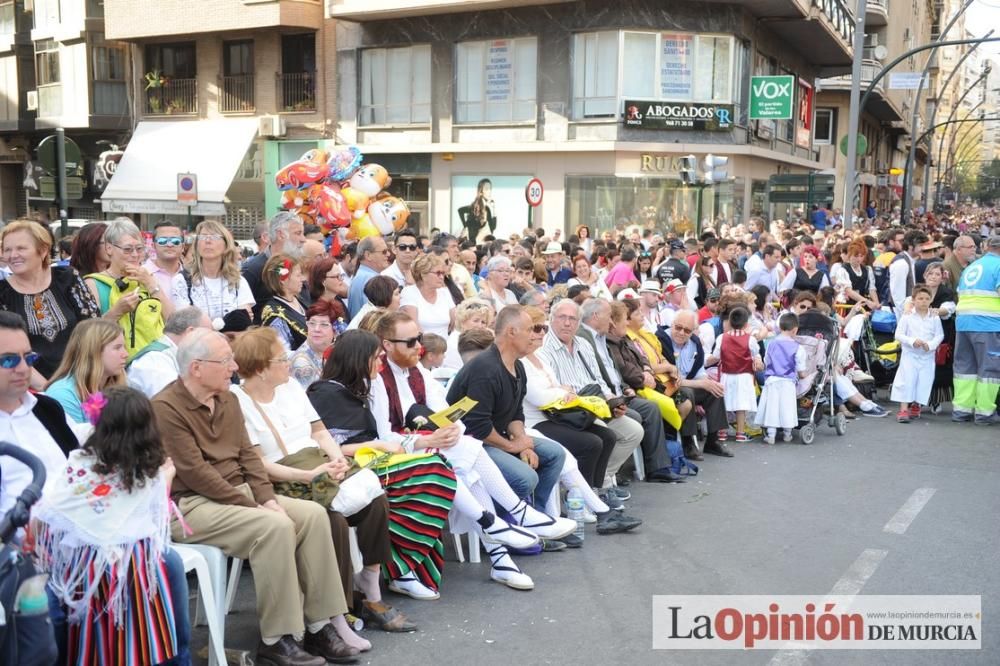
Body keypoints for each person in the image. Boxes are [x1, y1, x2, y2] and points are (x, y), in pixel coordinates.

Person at [153, 329, 361, 665]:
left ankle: (320, 625)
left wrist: (268, 499)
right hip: (192, 504)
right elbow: (194, 473)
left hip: (238, 493)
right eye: (224, 361)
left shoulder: (227, 398)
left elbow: (248, 456)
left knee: (312, 515)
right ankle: (277, 639)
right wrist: (259, 508)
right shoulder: (165, 408)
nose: (234, 366)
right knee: (274, 527)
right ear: (196, 368)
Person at [370, 311, 573, 589]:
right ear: (387, 344)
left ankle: (504, 547)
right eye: (411, 342)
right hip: (395, 453)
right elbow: (383, 435)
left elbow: (445, 411)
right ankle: (506, 541)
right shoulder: (378, 377)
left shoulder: (416, 371)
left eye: (420, 339)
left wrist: (451, 429)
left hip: (434, 445)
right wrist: (428, 440)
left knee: (466, 458)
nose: (420, 346)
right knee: (466, 460)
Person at [229, 328, 411, 639]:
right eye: (282, 359)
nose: (290, 363)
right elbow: (258, 465)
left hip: (317, 465)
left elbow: (320, 432)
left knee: (375, 499)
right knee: (333, 519)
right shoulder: (239, 401)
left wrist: (336, 460)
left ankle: (369, 581)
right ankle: (336, 608)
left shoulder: (291, 389)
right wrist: (311, 475)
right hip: (285, 479)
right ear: (261, 368)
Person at [32, 386, 191, 666]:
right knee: (139, 642)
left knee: (99, 647)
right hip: (138, 571)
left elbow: (50, 514)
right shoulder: (149, 470)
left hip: (86, 574)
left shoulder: (81, 463)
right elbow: (156, 517)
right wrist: (169, 475)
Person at [307, 331, 461, 598]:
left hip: (372, 461)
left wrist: (396, 445)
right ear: (358, 359)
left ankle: (406, 567)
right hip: (349, 469)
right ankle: (400, 569)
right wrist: (377, 446)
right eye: (376, 358)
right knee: (433, 472)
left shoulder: (358, 389)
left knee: (437, 465)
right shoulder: (326, 393)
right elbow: (325, 448)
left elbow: (382, 435)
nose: (381, 363)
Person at [519, 306, 641, 535]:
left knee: (606, 435)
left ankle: (593, 493)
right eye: (535, 329)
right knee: (590, 442)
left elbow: (557, 387)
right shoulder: (524, 361)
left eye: (541, 329)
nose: (539, 334)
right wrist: (563, 393)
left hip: (558, 414)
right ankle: (582, 502)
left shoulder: (538, 359)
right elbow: (540, 396)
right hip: (536, 421)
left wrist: (562, 392)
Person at [446, 305, 574, 522]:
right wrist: (513, 447)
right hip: (472, 443)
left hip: (498, 435)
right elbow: (478, 427)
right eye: (529, 330)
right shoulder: (485, 369)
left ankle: (538, 518)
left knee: (555, 454)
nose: (534, 335)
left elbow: (516, 412)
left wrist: (522, 441)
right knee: (525, 478)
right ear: (511, 332)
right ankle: (505, 524)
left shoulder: (517, 366)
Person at [538, 299, 643, 492]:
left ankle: (603, 479)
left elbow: (598, 380)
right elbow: (555, 390)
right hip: (568, 413)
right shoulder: (544, 348)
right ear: (551, 320)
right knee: (603, 436)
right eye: (562, 318)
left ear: (579, 322)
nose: (567, 323)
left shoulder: (583, 344)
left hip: (595, 407)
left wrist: (612, 400)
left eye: (572, 319)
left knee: (633, 431)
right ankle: (591, 490)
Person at [0, 312, 79, 524]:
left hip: (81, 534)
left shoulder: (47, 408)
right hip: (19, 548)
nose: (24, 369)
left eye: (29, 358)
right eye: (9, 360)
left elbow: (83, 461)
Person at [0, 220, 101, 382]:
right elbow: (7, 351)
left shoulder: (67, 277)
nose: (13, 255)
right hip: (28, 384)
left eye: (21, 248)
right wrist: (47, 389)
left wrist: (81, 380)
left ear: (43, 250)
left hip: (81, 377)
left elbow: (93, 328)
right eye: (7, 250)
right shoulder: (3, 293)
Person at [85, 217, 172, 357]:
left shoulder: (147, 279)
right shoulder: (94, 284)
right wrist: (116, 312)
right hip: (115, 366)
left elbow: (173, 321)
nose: (135, 255)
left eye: (139, 248)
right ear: (109, 248)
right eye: (127, 249)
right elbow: (87, 336)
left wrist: (152, 285)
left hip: (154, 362)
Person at [657, 310, 733, 458]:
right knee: (687, 392)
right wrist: (701, 384)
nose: (681, 333)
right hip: (669, 388)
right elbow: (669, 380)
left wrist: (708, 383)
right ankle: (688, 441)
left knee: (714, 390)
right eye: (678, 327)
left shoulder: (694, 343)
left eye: (687, 330)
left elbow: (699, 373)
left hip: (688, 383)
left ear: (693, 331)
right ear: (672, 325)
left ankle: (713, 440)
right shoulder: (660, 340)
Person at [172, 219, 255, 332]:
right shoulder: (182, 281)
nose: (208, 241)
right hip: (197, 346)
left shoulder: (238, 281)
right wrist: (226, 323)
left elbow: (244, 320)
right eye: (202, 236)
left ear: (226, 245)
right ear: (196, 245)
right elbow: (185, 323)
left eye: (215, 237)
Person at [951, 234, 1000, 424]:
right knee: (990, 369)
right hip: (988, 323)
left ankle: (962, 410)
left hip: (964, 323)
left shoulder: (972, 267)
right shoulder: (997, 266)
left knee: (965, 368)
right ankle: (984, 412)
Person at [45, 319, 128, 425]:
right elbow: (75, 440)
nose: (126, 354)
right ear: (93, 351)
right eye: (117, 348)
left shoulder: (119, 384)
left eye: (124, 347)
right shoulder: (62, 394)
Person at [128, 306, 212, 398]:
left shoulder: (175, 355)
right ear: (191, 332)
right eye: (207, 335)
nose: (210, 344)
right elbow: (174, 400)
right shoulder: (154, 360)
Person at [242, 211, 307, 322]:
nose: (303, 239)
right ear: (280, 234)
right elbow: (243, 316)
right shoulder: (253, 270)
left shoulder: (298, 265)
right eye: (298, 233)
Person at [891, 286, 944, 423]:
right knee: (907, 380)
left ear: (931, 300)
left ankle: (916, 404)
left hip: (927, 355)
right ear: (913, 300)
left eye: (927, 299)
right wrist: (912, 341)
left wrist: (931, 345)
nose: (924, 301)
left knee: (923, 381)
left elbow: (939, 335)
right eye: (920, 298)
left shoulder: (934, 317)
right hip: (910, 354)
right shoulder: (907, 316)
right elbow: (898, 334)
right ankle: (903, 409)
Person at [713, 307, 762, 443]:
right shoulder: (750, 339)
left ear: (729, 321)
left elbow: (717, 355)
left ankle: (722, 432)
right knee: (741, 404)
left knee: (725, 403)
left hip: (726, 374)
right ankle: (740, 433)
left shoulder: (722, 337)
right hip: (744, 375)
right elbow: (755, 354)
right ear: (746, 323)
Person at [754, 313, 804, 444]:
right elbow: (801, 368)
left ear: (780, 327)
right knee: (787, 406)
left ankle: (771, 434)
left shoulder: (771, 344)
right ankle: (788, 434)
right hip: (788, 381)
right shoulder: (798, 347)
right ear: (795, 330)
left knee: (772, 407)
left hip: (772, 379)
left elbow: (767, 360)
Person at [920, 261, 957, 410]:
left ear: (942, 277)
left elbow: (948, 309)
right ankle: (916, 400)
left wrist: (934, 311)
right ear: (925, 275)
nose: (933, 277)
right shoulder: (918, 290)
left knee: (938, 368)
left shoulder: (946, 292)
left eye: (937, 274)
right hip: (920, 333)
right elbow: (909, 304)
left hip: (940, 336)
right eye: (931, 273)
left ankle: (936, 400)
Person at [290, 298, 345, 388]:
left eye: (323, 324)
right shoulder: (301, 363)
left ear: (335, 330)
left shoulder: (335, 351)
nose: (316, 329)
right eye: (312, 323)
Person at [399, 252, 455, 339]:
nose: (441, 277)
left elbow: (454, 323)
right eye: (438, 273)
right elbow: (415, 328)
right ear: (423, 274)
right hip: (422, 346)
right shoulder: (409, 292)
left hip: (445, 347)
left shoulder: (444, 292)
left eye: (443, 273)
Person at [260, 254, 309, 351]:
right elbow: (283, 352)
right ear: (283, 279)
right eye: (298, 275)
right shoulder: (273, 313)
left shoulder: (300, 299)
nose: (303, 279)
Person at [443, 299, 492, 370]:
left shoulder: (479, 341)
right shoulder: (455, 342)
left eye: (483, 322)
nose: (480, 325)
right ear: (463, 321)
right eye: (476, 321)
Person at [347, 235, 390, 317]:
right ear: (368, 255)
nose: (388, 254)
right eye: (384, 251)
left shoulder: (363, 276)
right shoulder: (370, 280)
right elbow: (375, 317)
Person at [143, 220, 185, 302]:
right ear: (153, 245)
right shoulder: (142, 273)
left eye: (175, 241)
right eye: (162, 241)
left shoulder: (192, 276)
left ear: (183, 246)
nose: (169, 245)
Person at [888, 230, 928, 316]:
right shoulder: (901, 264)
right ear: (910, 246)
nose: (923, 248)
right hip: (897, 313)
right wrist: (906, 315)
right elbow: (897, 297)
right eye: (920, 245)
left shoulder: (910, 261)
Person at [457, 178, 497, 243]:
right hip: (471, 242)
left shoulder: (487, 209)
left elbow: (492, 227)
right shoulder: (475, 207)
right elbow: (460, 210)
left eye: (490, 189)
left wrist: (493, 210)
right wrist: (465, 225)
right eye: (486, 189)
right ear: (481, 191)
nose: (489, 191)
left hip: (479, 242)